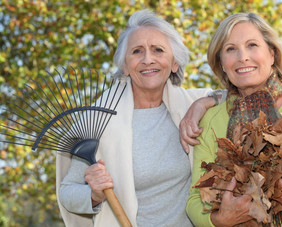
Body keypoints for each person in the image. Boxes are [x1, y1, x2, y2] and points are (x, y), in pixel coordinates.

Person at [56, 10, 225, 227]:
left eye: (158, 50)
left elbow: (235, 95)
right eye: (137, 51)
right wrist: (94, 194)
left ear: (174, 63)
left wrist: (202, 104)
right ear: (125, 66)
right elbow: (67, 192)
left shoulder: (193, 103)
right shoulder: (96, 120)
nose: (147, 59)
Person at [185, 12, 282, 227]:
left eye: (252, 45)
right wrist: (220, 219)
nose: (242, 57)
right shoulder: (211, 119)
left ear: (272, 54)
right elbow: (194, 200)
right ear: (221, 63)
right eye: (230, 49)